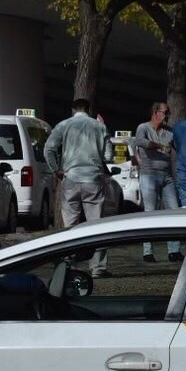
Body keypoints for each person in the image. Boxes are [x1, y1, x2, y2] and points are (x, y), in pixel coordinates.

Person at [43, 97, 111, 276]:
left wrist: (56, 170)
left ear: (73, 109)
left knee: (70, 226)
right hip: (93, 179)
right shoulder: (99, 126)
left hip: (71, 177)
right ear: (88, 109)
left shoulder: (63, 125)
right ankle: (97, 267)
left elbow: (48, 148)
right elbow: (109, 155)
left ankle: (70, 265)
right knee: (97, 225)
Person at [131, 101, 181, 262]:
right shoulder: (143, 128)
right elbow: (140, 141)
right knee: (150, 213)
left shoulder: (169, 132)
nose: (167, 115)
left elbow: (176, 151)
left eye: (168, 113)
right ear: (155, 112)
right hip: (149, 173)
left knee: (174, 211)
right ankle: (148, 251)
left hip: (166, 175)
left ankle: (174, 250)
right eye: (164, 112)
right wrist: (160, 146)